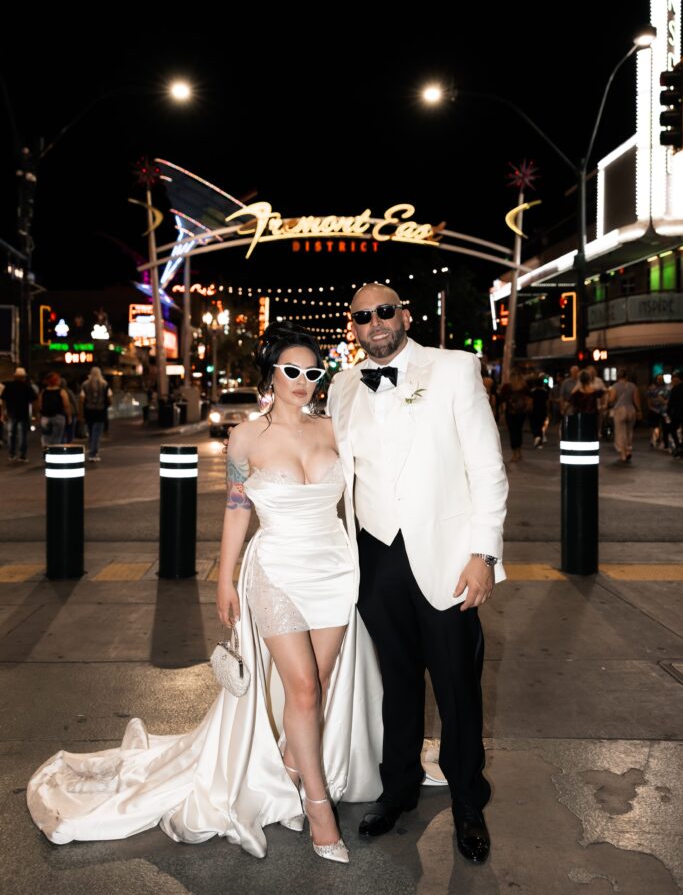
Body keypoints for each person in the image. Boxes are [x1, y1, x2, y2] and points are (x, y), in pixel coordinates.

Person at [26, 323, 383, 862]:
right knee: (305, 687)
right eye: (291, 370)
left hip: (334, 571)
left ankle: (291, 759)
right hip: (276, 571)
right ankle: (316, 805)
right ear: (271, 374)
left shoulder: (334, 429)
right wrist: (223, 578)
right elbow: (238, 507)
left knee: (321, 682)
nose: (302, 381)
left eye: (312, 372)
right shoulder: (246, 437)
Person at [327, 283, 508, 865]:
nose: (375, 323)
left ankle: (467, 802)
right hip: (374, 557)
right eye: (363, 317)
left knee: (457, 685)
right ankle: (398, 788)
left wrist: (484, 554)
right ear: (352, 326)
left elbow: (487, 466)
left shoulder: (454, 368)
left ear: (404, 315)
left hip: (448, 557)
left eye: (385, 312)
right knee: (395, 683)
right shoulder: (342, 386)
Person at [0, 367, 38, 463]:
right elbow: (34, 401)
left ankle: (12, 454)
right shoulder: (27, 387)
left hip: (11, 413)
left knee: (11, 434)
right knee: (23, 435)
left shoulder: (8, 387)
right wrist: (34, 414)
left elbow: (3, 401)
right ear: (23, 377)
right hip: (23, 414)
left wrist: (3, 413)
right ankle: (22, 455)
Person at [608, 369, 642, 464]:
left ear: (618, 377)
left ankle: (623, 454)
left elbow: (611, 399)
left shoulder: (614, 386)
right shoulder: (633, 386)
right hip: (631, 410)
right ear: (627, 376)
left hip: (620, 410)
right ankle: (628, 451)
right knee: (629, 432)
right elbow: (636, 400)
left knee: (620, 432)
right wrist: (639, 411)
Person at [79, 367, 112, 461]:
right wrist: (105, 405)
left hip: (89, 411)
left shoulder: (85, 384)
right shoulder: (104, 384)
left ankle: (91, 450)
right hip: (100, 412)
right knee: (97, 434)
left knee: (90, 432)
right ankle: (93, 453)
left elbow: (81, 399)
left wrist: (81, 413)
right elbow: (109, 398)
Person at [499, 368, 531, 462]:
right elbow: (529, 400)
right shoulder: (524, 387)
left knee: (513, 432)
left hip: (511, 413)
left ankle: (515, 454)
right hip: (521, 413)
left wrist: (501, 411)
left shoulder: (507, 387)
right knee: (518, 431)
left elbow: (502, 400)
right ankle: (519, 451)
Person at [37, 373, 71, 448]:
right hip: (58, 416)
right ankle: (55, 453)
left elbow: (40, 405)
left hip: (45, 417)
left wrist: (39, 416)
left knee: (46, 437)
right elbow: (66, 405)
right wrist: (69, 416)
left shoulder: (43, 392)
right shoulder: (61, 391)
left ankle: (47, 452)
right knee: (57, 438)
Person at [529, 375, 550, 448]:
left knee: (534, 425)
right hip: (542, 410)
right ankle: (540, 442)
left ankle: (536, 437)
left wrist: (529, 409)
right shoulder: (545, 391)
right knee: (541, 425)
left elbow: (530, 402)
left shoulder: (533, 391)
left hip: (534, 410)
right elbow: (547, 402)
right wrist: (548, 411)